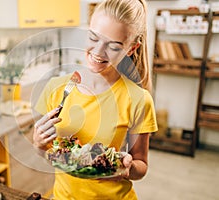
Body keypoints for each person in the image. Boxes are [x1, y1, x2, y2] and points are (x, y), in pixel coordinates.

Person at [32, 0, 158, 199]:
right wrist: (38, 144)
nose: (98, 52)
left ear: (131, 49)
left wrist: (127, 167)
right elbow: (50, 155)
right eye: (93, 38)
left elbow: (141, 166)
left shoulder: (139, 99)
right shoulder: (56, 88)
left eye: (114, 46)